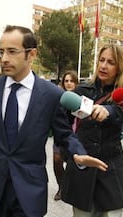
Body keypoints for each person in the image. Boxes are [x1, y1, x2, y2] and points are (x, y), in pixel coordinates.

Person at [0, 25, 108, 217]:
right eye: (1, 51)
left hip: (30, 190)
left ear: (31, 54)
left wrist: (78, 154)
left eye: (12, 51)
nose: (4, 58)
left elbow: (64, 134)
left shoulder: (51, 95)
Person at [61, 44, 123, 217]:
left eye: (111, 62)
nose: (104, 65)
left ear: (120, 67)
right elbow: (63, 126)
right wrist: (71, 153)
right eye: (102, 60)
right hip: (83, 167)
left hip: (111, 169)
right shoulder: (81, 90)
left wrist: (107, 111)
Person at [52, 70, 79, 201]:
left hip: (76, 135)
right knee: (57, 161)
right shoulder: (59, 97)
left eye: (71, 81)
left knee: (72, 164)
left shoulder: (81, 97)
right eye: (66, 81)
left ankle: (71, 188)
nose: (68, 83)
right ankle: (61, 187)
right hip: (60, 135)